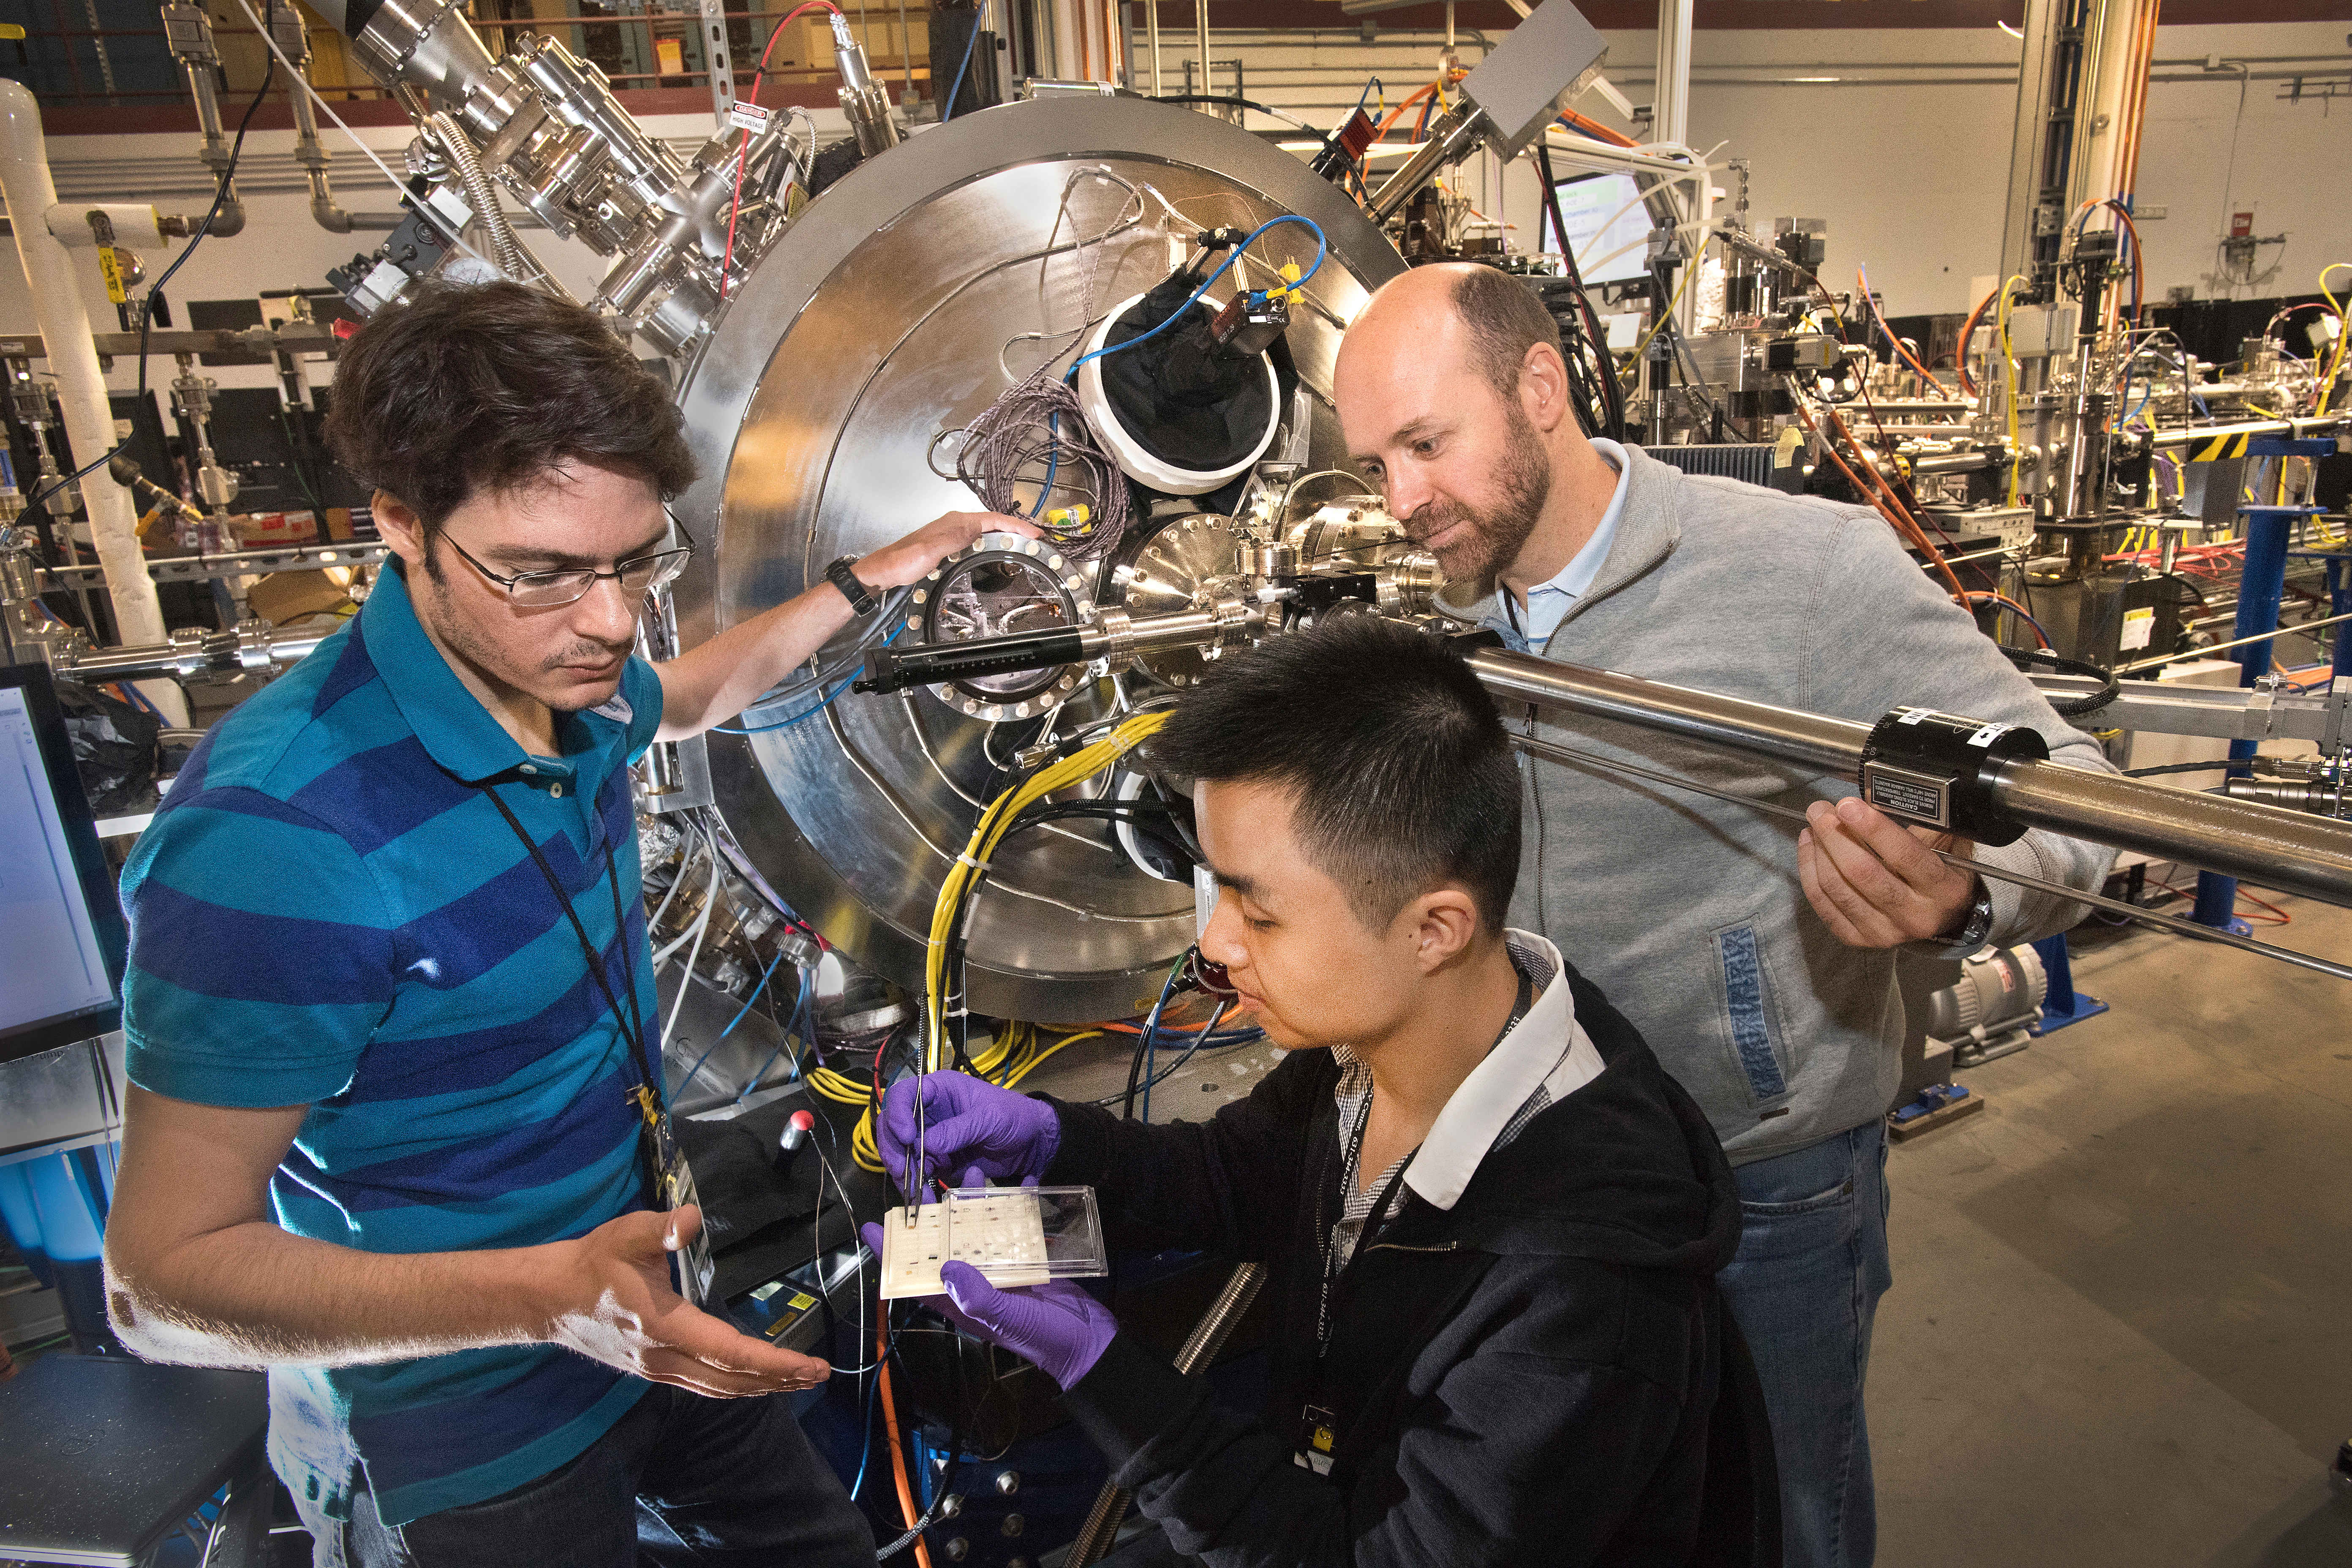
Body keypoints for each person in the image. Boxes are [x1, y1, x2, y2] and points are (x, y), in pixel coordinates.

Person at [100, 281, 1032, 1566]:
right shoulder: (275, 841)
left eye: (634, 560)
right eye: (540, 573)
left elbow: (693, 693)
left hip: (645, 1322)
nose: (605, 622)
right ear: (400, 526)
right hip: (476, 1432)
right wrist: (543, 1302)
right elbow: (159, 1283)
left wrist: (864, 579)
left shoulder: (562, 687)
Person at [1328, 263, 2117, 1567]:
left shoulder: (1805, 574)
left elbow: (2073, 794)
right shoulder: (1458, 610)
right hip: (1544, 1175)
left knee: (1787, 1514)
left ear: (1541, 390)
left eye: (1426, 444)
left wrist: (1967, 892)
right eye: (1375, 467)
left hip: (1766, 1178)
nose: (1403, 503)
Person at [867, 616, 1759, 1567]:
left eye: (1259, 910)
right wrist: (1055, 1141)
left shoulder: (1581, 1285)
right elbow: (1237, 1177)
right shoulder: (1383, 1042)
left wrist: (1105, 1372)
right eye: (1218, 890)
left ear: (1434, 929)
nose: (1215, 942)